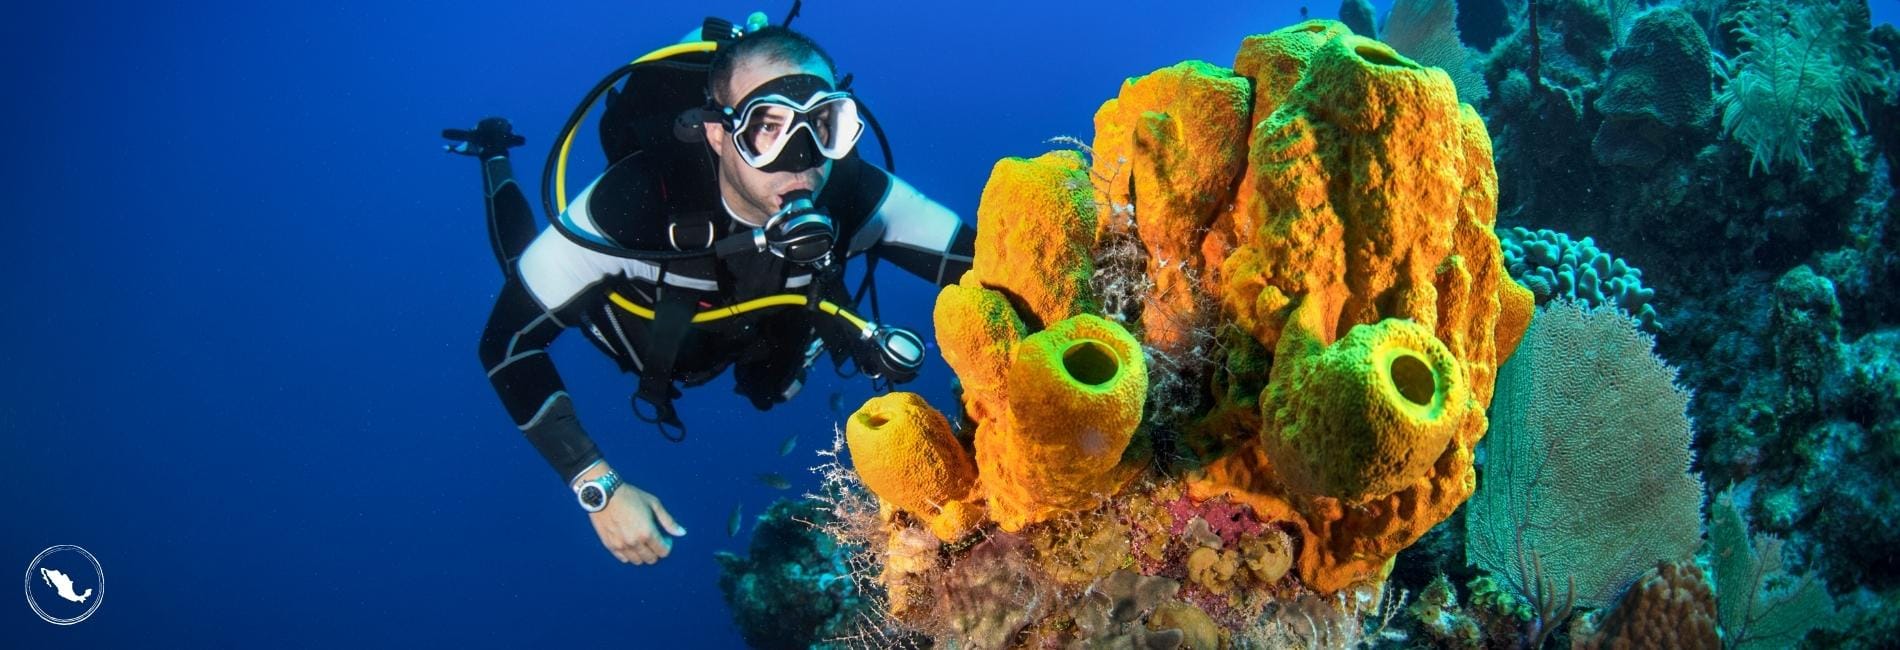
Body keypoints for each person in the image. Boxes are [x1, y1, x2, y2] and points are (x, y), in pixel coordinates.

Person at [447, 23, 973, 566]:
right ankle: (493, 155)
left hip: (765, 336)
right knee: (520, 266)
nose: (801, 159)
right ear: (719, 134)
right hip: (642, 335)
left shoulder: (856, 194)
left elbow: (987, 259)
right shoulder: (633, 205)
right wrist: (596, 485)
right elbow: (506, 343)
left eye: (823, 125)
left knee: (777, 374)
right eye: (767, 128)